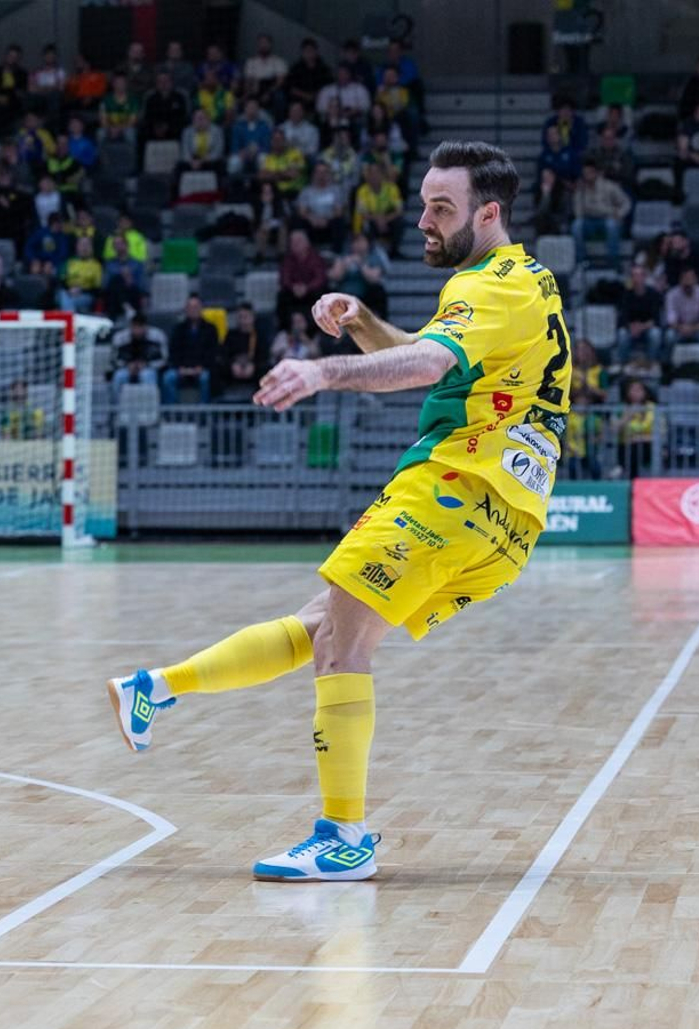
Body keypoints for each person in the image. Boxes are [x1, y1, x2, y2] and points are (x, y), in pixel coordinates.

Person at [107, 141, 571, 883]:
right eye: (422, 203)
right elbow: (429, 352)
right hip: (504, 519)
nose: (423, 219)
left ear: (489, 213)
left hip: (454, 489)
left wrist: (321, 369)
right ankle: (155, 689)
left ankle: (343, 837)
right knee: (326, 623)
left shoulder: (487, 287)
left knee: (339, 650)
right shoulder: (524, 281)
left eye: (441, 208)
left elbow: (422, 367)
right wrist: (360, 321)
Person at [570, 161, 631, 269]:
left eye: (589, 173)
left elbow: (626, 202)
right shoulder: (581, 189)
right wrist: (580, 212)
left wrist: (619, 214)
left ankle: (613, 261)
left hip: (607, 219)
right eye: (585, 173)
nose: (587, 176)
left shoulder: (609, 186)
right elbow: (577, 210)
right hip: (589, 221)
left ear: (596, 173)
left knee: (611, 225)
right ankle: (581, 261)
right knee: (576, 225)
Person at [163, 296, 217, 402]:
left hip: (202, 368)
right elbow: (173, 351)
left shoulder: (211, 329)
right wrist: (180, 368)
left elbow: (212, 352)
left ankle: (204, 414)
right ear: (186, 309)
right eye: (190, 307)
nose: (193, 310)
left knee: (205, 378)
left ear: (201, 308)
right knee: (168, 378)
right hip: (181, 368)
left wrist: (200, 367)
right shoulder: (178, 328)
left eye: (196, 307)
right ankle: (172, 414)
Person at [617, 264, 666, 364]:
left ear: (644, 277)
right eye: (634, 275)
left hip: (647, 328)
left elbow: (656, 319)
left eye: (639, 275)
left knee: (655, 334)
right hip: (631, 328)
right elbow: (622, 318)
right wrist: (631, 327)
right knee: (622, 334)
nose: (637, 278)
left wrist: (641, 327)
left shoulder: (653, 294)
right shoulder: (626, 295)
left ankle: (651, 363)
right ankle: (623, 365)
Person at [665, 266, 699, 352]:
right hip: (679, 329)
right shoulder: (671, 295)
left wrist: (691, 328)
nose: (688, 282)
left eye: (690, 278)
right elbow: (670, 320)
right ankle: (670, 364)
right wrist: (682, 328)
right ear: (680, 280)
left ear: (696, 280)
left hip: (698, 329)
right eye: (685, 279)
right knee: (669, 335)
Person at [613, 379, 656, 478]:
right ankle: (631, 480)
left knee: (635, 449)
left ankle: (623, 469)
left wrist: (638, 438)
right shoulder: (621, 408)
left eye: (639, 390)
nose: (636, 393)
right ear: (627, 392)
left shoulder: (652, 408)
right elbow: (614, 429)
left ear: (645, 392)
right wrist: (627, 417)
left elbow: (659, 434)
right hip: (625, 446)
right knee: (630, 450)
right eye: (632, 390)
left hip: (647, 446)